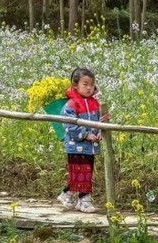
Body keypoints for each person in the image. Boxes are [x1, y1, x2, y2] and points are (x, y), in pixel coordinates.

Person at [56, 67, 109, 213]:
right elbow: (68, 124)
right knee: (80, 172)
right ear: (75, 85)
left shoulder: (95, 103)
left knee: (86, 172)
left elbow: (99, 121)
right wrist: (85, 135)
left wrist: (99, 129)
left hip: (90, 146)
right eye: (85, 84)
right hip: (76, 145)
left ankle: (68, 194)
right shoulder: (72, 104)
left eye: (91, 84)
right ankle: (84, 200)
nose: (89, 88)